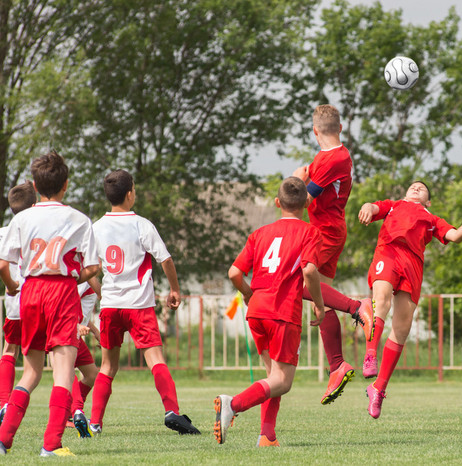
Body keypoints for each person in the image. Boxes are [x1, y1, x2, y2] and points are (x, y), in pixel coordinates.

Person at [0, 151, 100, 457]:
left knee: (30, 373)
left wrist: (13, 286)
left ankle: (3, 440)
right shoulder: (78, 219)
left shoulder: (22, 218)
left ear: (34, 184)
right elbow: (94, 268)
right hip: (61, 293)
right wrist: (73, 275)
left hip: (30, 292)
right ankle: (51, 444)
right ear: (66, 185)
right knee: (62, 372)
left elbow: (4, 264)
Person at [214, 176, 325, 447]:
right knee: (283, 382)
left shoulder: (260, 233)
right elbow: (309, 270)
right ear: (307, 202)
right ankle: (234, 404)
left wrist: (250, 294)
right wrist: (320, 304)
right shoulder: (309, 232)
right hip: (282, 310)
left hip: (258, 310)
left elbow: (234, 273)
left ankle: (267, 435)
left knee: (272, 376)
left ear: (278, 203)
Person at [88, 169, 200, 436]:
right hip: (139, 306)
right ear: (130, 195)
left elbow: (89, 269)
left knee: (107, 367)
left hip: (112, 306)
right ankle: (172, 410)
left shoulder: (96, 228)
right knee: (156, 360)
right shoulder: (141, 224)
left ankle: (95, 423)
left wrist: (104, 293)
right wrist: (175, 289)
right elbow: (166, 260)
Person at [358, 181, 462, 419]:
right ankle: (371, 353)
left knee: (402, 328)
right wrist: (366, 207)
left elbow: (454, 236)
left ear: (428, 201)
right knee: (380, 300)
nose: (416, 188)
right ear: (405, 192)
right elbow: (373, 207)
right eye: (413, 186)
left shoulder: (432, 219)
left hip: (412, 263)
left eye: (422, 188)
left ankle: (378, 388)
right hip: (388, 252)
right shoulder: (394, 206)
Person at [293, 104, 371, 405]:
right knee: (317, 302)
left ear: (315, 131)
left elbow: (301, 200)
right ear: (339, 127)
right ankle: (337, 366)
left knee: (302, 285)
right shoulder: (331, 156)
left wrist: (294, 178)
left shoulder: (333, 158)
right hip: (327, 228)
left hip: (325, 231)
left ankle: (357, 307)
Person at [0, 182, 36, 421]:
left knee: (9, 350)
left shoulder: (3, 232)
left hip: (15, 303)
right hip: (39, 299)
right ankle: (69, 410)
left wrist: (11, 285)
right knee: (57, 355)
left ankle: (4, 403)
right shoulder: (37, 228)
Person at [67, 277, 102, 438]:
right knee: (65, 372)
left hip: (75, 332)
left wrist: (94, 331)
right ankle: (76, 411)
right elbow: (66, 303)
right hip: (66, 330)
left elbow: (82, 311)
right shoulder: (84, 277)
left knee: (92, 374)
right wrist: (75, 325)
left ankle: (70, 412)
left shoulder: (89, 277)